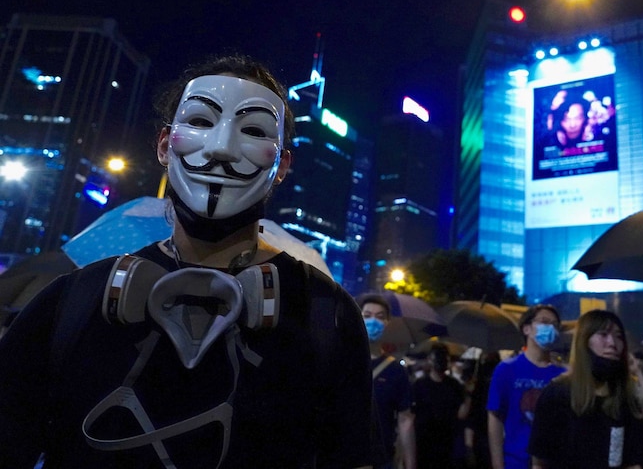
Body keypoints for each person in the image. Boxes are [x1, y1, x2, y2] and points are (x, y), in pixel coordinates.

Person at [0, 55, 374, 468]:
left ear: (282, 164)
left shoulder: (328, 314)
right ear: (164, 145)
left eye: (252, 130)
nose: (219, 148)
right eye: (200, 122)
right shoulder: (70, 303)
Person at [528, 309, 643, 469]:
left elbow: (634, 461)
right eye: (603, 334)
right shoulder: (557, 395)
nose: (612, 343)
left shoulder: (624, 398)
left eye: (618, 336)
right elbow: (540, 463)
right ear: (584, 341)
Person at [487, 304, 567, 469]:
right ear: (526, 329)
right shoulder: (506, 369)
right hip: (515, 462)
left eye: (554, 325)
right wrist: (497, 464)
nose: (550, 328)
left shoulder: (564, 374)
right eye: (544, 322)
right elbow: (495, 419)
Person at [360, 293, 417, 469]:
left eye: (380, 317)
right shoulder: (342, 361)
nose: (373, 322)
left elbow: (405, 420)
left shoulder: (396, 371)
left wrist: (410, 463)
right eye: (367, 316)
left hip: (381, 460)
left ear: (387, 323)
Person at [413, 342, 471, 469]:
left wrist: (468, 395)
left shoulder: (454, 385)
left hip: (448, 447)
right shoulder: (419, 386)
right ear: (429, 359)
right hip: (425, 448)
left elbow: (461, 415)